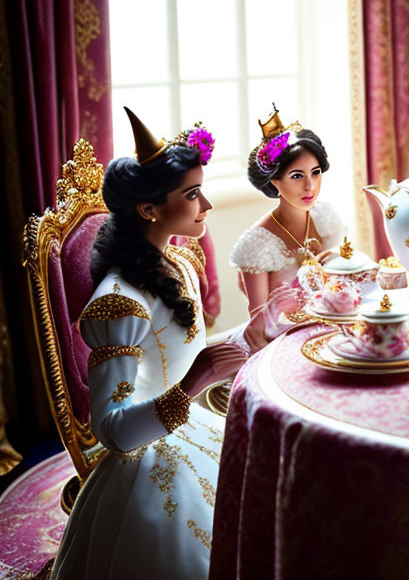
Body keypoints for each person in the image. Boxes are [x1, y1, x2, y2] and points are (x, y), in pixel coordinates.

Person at [51, 108, 246, 580]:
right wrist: (196, 381)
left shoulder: (175, 264)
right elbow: (113, 432)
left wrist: (261, 329)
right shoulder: (118, 305)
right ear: (148, 209)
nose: (208, 205)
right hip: (146, 457)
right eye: (192, 194)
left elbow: (181, 351)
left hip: (189, 425)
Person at [227, 107, 345, 351]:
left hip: (329, 330)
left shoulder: (326, 219)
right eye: (296, 176)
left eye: (316, 173)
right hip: (278, 342)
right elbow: (257, 326)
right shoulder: (257, 244)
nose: (310, 186)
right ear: (274, 182)